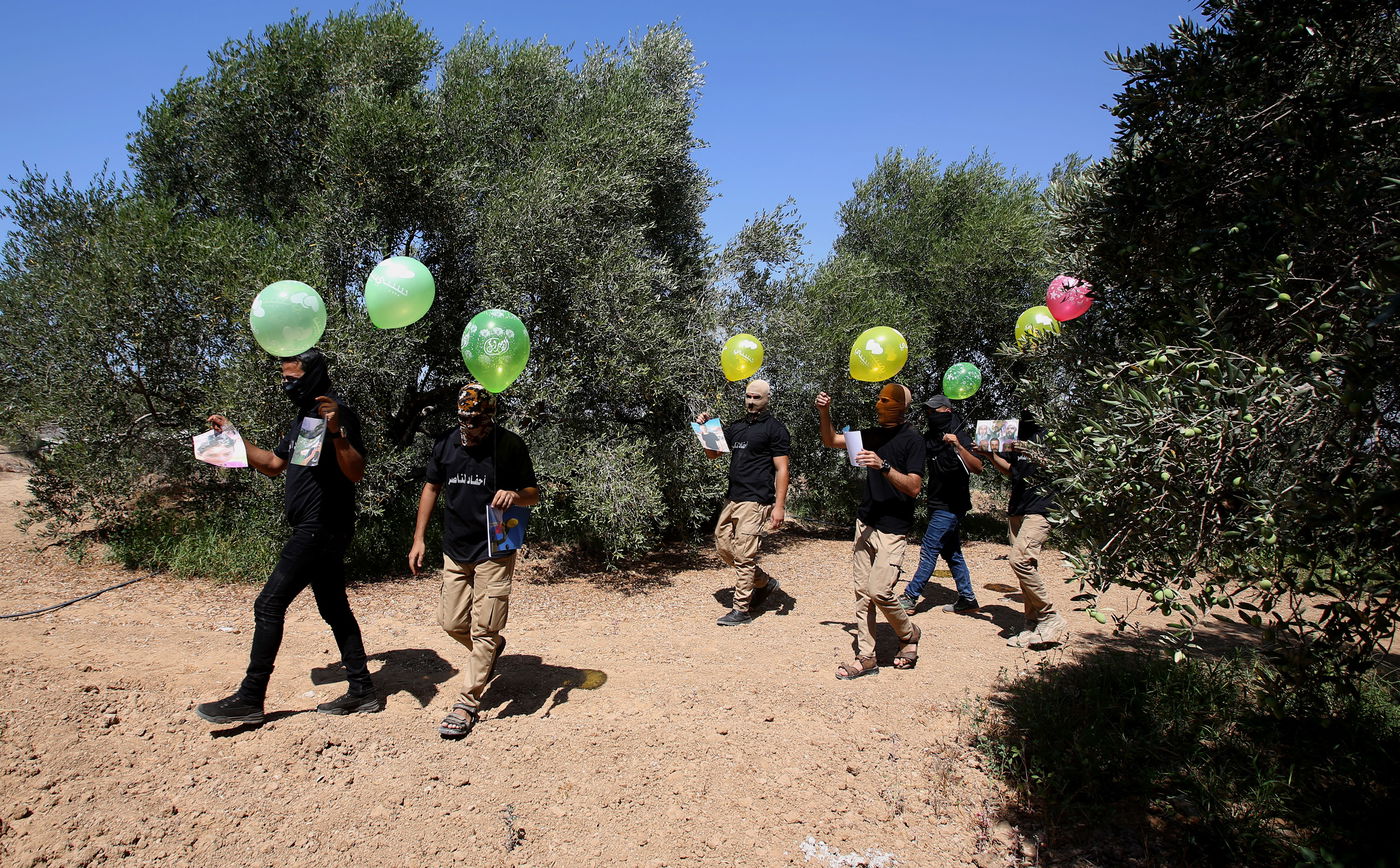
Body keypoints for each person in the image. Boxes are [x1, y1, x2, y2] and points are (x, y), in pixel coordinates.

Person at [195, 348, 377, 724]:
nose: (285, 385)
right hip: (316, 529)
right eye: (283, 378)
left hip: (321, 527)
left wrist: (337, 432)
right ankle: (362, 690)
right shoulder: (305, 420)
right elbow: (273, 465)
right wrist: (231, 438)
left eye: (292, 379)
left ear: (312, 377)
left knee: (268, 605)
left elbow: (356, 471)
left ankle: (250, 699)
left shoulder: (337, 415)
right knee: (333, 607)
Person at [409, 384, 540, 740]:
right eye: (465, 419)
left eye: (478, 420)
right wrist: (419, 538)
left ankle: (467, 701)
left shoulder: (510, 445)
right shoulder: (445, 443)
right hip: (456, 547)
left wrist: (515, 494)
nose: (471, 426)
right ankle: (491, 651)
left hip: (496, 549)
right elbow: (432, 488)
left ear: (491, 417)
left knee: (485, 627)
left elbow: (534, 494)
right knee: (451, 621)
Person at [816, 384, 924, 678]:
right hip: (866, 523)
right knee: (863, 594)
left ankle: (908, 633)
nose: (879, 403)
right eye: (878, 398)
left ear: (900, 407)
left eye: (886, 400)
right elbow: (830, 440)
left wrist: (883, 465)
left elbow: (914, 487)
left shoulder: (913, 440)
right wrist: (824, 412)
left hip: (893, 528)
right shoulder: (870, 434)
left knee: (880, 590)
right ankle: (867, 658)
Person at [696, 379, 791, 626]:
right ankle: (764, 583)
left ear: (767, 398)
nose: (751, 401)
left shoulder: (775, 429)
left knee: (745, 555)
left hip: (756, 500)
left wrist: (779, 506)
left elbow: (782, 469)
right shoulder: (737, 427)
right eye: (748, 397)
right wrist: (706, 429)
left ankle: (742, 610)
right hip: (733, 497)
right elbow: (713, 454)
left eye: (756, 398)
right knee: (723, 546)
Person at [978, 413, 1066, 647]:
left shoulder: (1052, 433)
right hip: (1018, 507)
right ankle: (1033, 623)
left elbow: (1064, 467)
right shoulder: (1014, 433)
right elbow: (1012, 471)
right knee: (1027, 565)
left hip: (1043, 507)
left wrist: (1032, 452)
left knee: (1019, 560)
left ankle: (1049, 615)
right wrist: (990, 455)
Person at [898, 395, 984, 615]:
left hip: (952, 506)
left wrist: (958, 446)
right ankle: (967, 598)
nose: (930, 415)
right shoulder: (931, 438)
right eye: (927, 412)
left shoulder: (961, 436)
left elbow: (978, 467)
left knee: (929, 549)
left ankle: (910, 596)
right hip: (936, 503)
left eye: (933, 411)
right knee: (952, 552)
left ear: (946, 411)